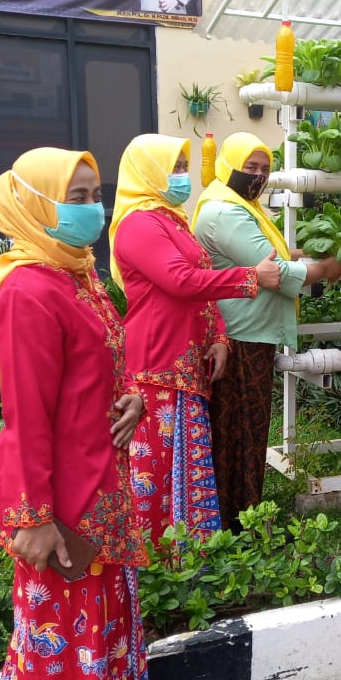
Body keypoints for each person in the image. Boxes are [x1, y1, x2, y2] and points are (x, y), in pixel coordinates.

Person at [0, 147, 155, 680]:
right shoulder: (27, 291)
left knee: (97, 628)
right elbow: (25, 416)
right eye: (76, 197)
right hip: (61, 502)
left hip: (97, 484)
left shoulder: (78, 277)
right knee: (61, 634)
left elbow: (99, 368)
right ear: (37, 205)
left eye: (94, 194)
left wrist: (129, 397)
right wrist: (35, 519)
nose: (92, 209)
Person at [109, 134, 282, 548]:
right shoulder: (138, 224)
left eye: (184, 167)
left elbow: (201, 284)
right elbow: (181, 281)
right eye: (174, 168)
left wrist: (219, 336)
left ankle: (191, 558)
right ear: (148, 172)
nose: (183, 177)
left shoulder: (171, 218)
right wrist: (250, 277)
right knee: (156, 471)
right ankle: (157, 562)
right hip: (157, 364)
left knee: (188, 466)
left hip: (189, 365)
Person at [191, 132, 341, 530]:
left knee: (245, 428)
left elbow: (269, 253)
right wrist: (323, 270)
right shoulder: (226, 213)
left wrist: (303, 254)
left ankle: (239, 512)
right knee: (240, 429)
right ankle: (236, 522)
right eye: (249, 167)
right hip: (239, 337)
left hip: (247, 333)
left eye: (264, 169)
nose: (257, 176)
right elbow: (273, 272)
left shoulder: (240, 205)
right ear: (229, 166)